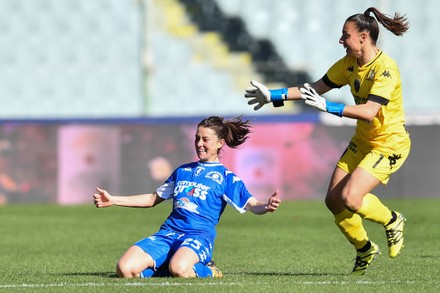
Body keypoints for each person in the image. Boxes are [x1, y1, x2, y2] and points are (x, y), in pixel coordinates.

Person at [244, 7, 410, 275]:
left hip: (389, 144)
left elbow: (369, 112)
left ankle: (392, 220)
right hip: (363, 141)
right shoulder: (348, 64)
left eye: (345, 35)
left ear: (363, 37)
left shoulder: (385, 70)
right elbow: (313, 89)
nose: (341, 40)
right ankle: (365, 248)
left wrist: (329, 107)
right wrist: (272, 95)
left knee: (351, 198)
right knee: (333, 201)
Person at [93, 116, 281, 278]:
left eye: (205, 139)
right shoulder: (182, 171)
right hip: (168, 234)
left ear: (220, 143)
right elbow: (152, 199)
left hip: (198, 237)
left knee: (180, 269)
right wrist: (114, 200)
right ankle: (170, 263)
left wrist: (267, 205)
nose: (199, 144)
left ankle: (209, 271)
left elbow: (252, 203)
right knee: (124, 270)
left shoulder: (226, 178)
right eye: (197, 138)